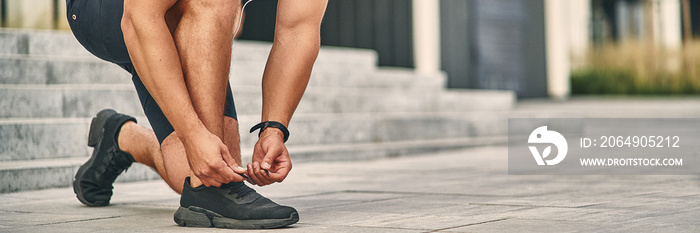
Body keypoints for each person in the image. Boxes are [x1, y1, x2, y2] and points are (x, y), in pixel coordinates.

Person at [66, 0, 327, 229]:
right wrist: (193, 135)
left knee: (210, 169)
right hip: (104, 12)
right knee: (210, 181)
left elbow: (297, 31)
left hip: (170, 18)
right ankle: (210, 192)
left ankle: (121, 138)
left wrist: (274, 128)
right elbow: (138, 16)